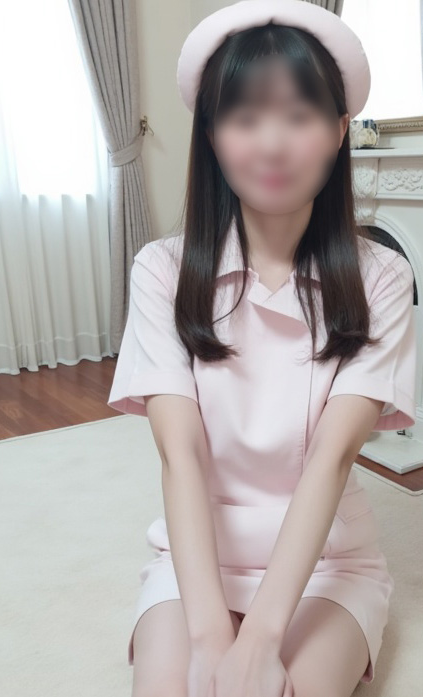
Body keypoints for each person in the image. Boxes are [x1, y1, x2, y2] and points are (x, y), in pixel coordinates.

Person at [107, 2, 417, 695]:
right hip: (197, 561)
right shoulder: (161, 270)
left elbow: (332, 456)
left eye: (299, 116)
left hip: (328, 563)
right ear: (212, 135)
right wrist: (210, 637)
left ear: (339, 130)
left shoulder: (383, 277)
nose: (272, 145)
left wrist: (261, 640)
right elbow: (181, 455)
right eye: (245, 118)